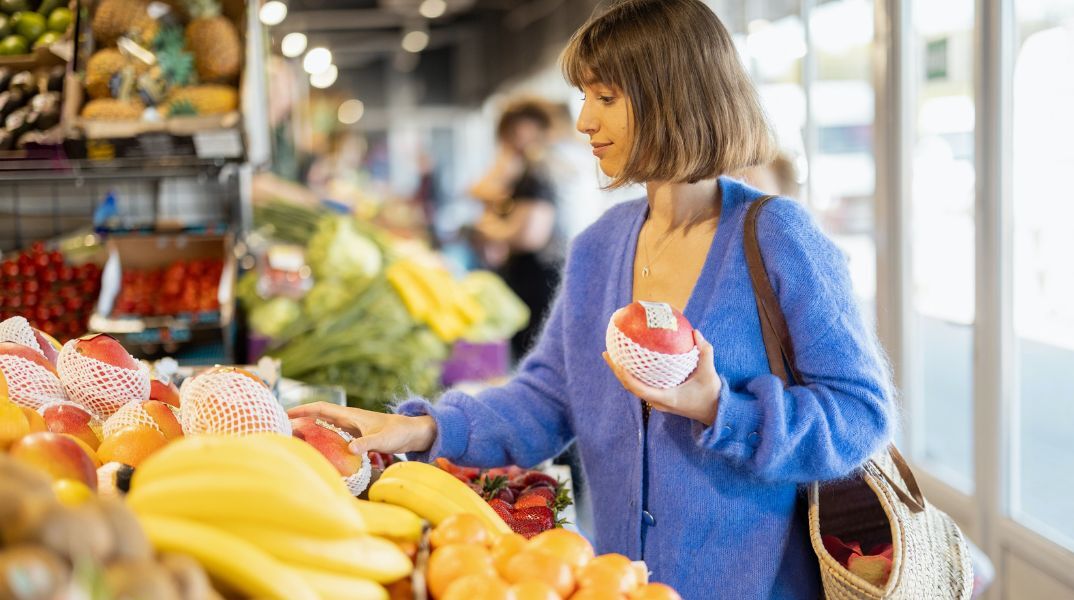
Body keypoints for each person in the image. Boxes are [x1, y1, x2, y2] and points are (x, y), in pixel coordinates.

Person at [290, 1, 895, 597]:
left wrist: (721, 409)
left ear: (674, 97)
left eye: (606, 98)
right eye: (585, 97)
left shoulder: (778, 238)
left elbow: (860, 416)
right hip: (617, 581)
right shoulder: (599, 248)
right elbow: (548, 400)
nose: (583, 122)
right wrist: (418, 428)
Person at [469, 98, 564, 360]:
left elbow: (529, 237)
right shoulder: (522, 172)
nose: (517, 139)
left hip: (537, 279)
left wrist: (488, 230)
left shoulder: (537, 174)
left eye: (523, 131)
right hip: (529, 275)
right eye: (512, 132)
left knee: (531, 356)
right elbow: (477, 188)